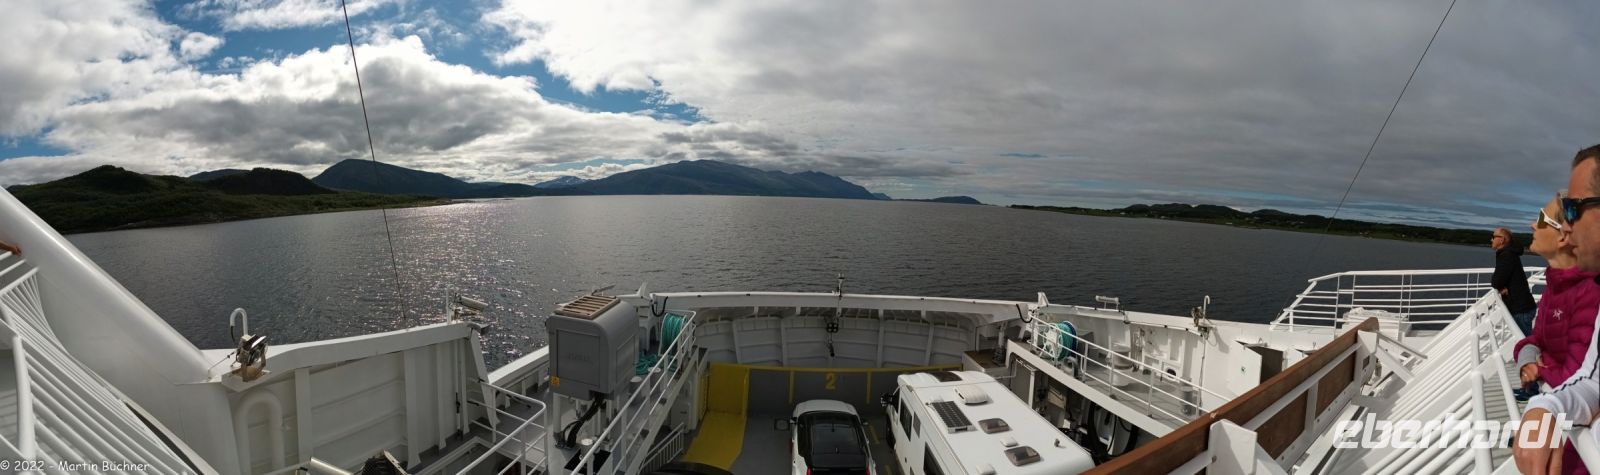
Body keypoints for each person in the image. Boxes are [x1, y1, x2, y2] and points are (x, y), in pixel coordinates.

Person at [1516, 144, 1600, 474]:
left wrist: (1544, 374)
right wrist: (1546, 405)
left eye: (1573, 210)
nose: (1567, 225)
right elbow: (1593, 380)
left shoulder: (1590, 290)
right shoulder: (1558, 285)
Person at [1496, 227, 1540, 335]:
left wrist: (1500, 285)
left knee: (1526, 342)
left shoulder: (1506, 255)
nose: (1491, 240)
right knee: (1525, 340)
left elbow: (1496, 281)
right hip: (1523, 307)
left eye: (1493, 237)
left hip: (1520, 309)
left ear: (1501, 240)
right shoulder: (1510, 253)